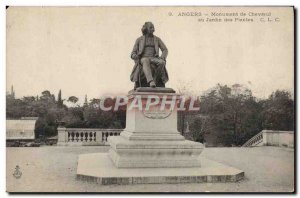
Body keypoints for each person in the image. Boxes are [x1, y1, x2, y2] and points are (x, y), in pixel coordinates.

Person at [130, 22, 169, 89]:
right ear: (146, 29)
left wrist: (162, 58)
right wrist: (135, 56)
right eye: (151, 28)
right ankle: (150, 81)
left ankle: (155, 80)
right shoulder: (139, 40)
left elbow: (165, 50)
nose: (153, 29)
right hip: (143, 58)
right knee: (145, 60)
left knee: (162, 62)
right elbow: (133, 53)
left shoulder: (157, 39)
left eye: (153, 27)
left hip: (154, 58)